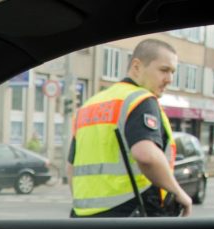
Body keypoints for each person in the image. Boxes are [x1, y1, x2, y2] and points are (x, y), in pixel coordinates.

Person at [67, 39, 192, 218]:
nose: (169, 79)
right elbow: (146, 155)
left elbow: (71, 167)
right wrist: (179, 193)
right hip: (130, 215)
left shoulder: (90, 105)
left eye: (172, 72)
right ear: (137, 66)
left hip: (83, 217)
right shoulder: (140, 100)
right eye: (164, 70)